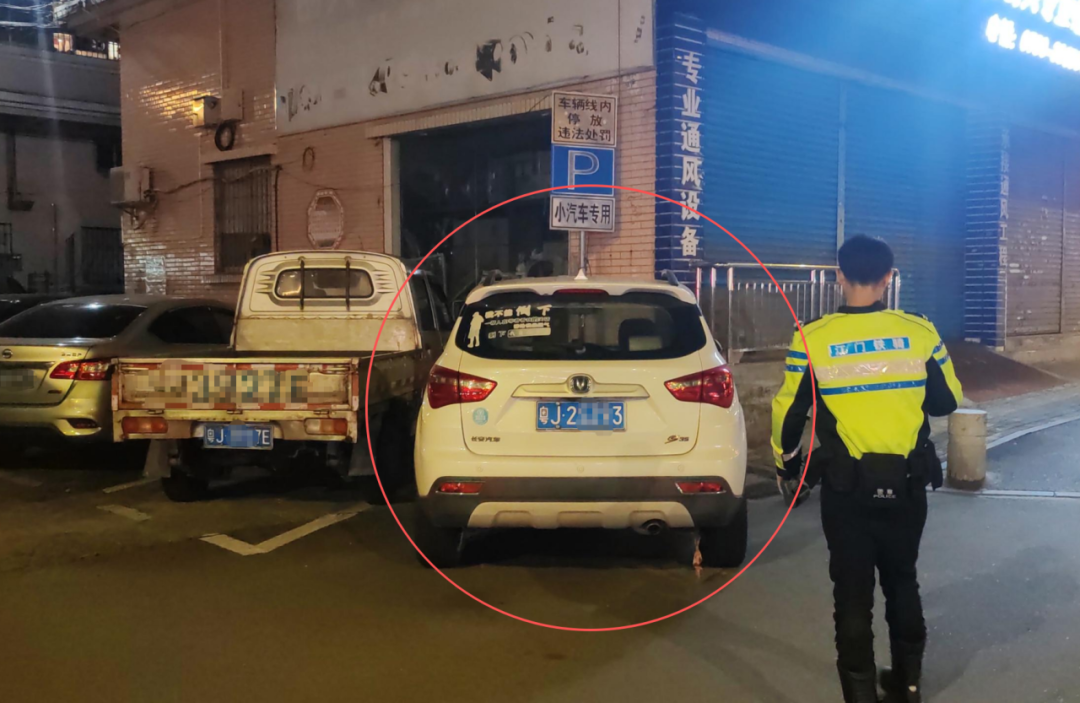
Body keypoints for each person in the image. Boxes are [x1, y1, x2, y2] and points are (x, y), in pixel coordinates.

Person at [771, 236, 963, 703]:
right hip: (907, 484)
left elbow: (788, 413)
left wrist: (787, 464)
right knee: (902, 580)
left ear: (839, 275)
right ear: (888, 278)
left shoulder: (812, 337)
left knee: (852, 594)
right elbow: (946, 401)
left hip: (846, 491)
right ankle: (908, 685)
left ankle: (860, 695)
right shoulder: (919, 331)